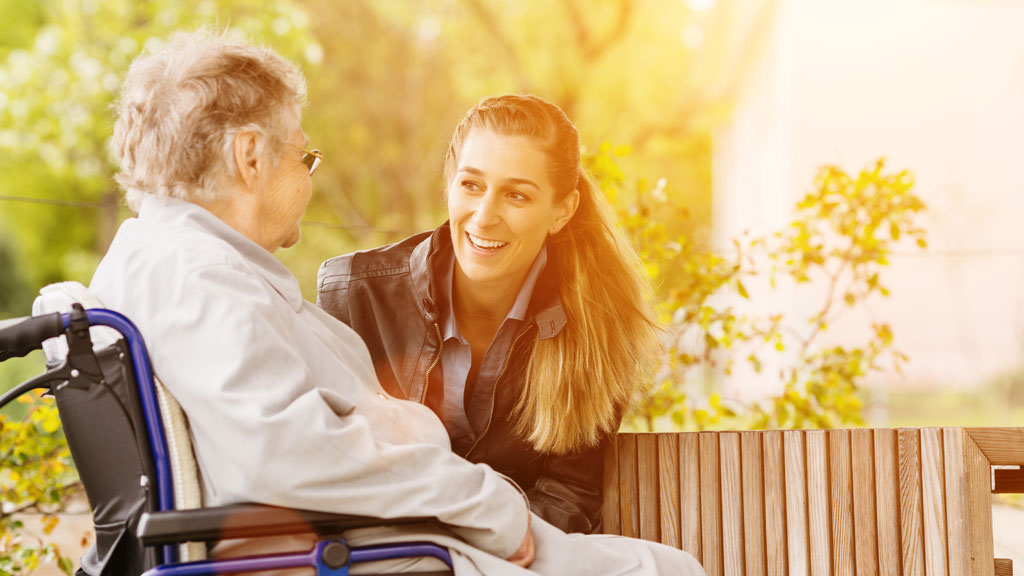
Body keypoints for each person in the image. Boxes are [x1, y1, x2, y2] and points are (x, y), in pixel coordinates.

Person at [89, 30, 702, 575]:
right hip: (390, 552)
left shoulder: (174, 262)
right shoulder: (199, 278)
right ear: (251, 158)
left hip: (407, 538)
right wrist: (487, 505)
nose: (309, 177)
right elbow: (285, 453)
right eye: (305, 156)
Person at [317, 94, 659, 534]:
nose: (484, 216)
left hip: (514, 554)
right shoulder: (353, 295)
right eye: (471, 185)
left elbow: (568, 494)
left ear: (562, 211)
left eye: (516, 195)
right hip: (384, 551)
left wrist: (478, 549)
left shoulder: (597, 329)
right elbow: (328, 468)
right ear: (450, 183)